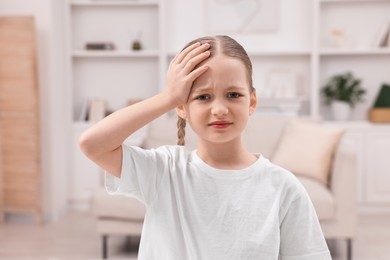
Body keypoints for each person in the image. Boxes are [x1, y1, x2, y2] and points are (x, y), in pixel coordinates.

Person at [79, 35, 331, 259]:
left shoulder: (283, 187)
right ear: (181, 107)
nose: (219, 109)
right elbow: (92, 144)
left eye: (233, 95)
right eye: (203, 96)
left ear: (251, 101)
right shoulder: (165, 171)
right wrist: (168, 96)